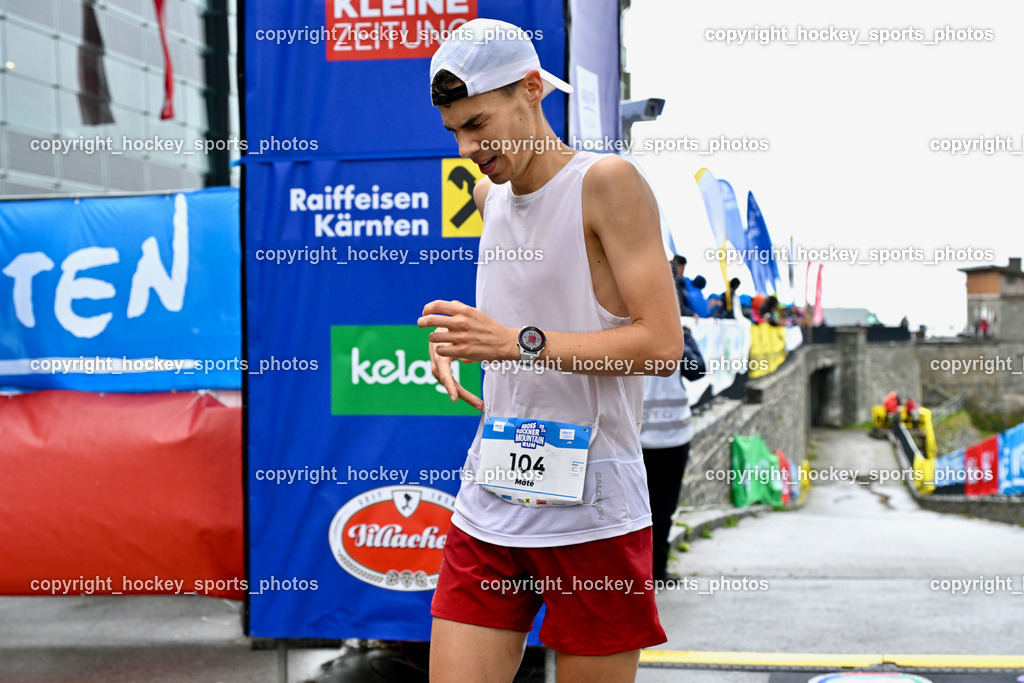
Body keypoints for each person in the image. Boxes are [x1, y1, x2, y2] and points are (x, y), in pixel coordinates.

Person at [419, 18, 682, 682]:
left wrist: (515, 343)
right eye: (454, 132)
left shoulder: (608, 182)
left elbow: (660, 344)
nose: (466, 148)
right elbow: (522, 306)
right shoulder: (490, 196)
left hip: (593, 509)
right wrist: (462, 340)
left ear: (532, 90)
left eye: (477, 124)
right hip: (493, 493)